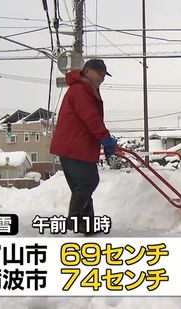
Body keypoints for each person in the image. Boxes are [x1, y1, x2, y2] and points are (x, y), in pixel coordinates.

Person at [50, 59, 117, 235]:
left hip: (77, 145)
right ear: (87, 71)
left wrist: (106, 139)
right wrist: (106, 138)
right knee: (88, 181)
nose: (102, 78)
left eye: (104, 75)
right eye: (100, 73)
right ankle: (73, 220)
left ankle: (86, 224)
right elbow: (91, 118)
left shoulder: (85, 88)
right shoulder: (81, 89)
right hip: (74, 145)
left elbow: (92, 119)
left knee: (82, 185)